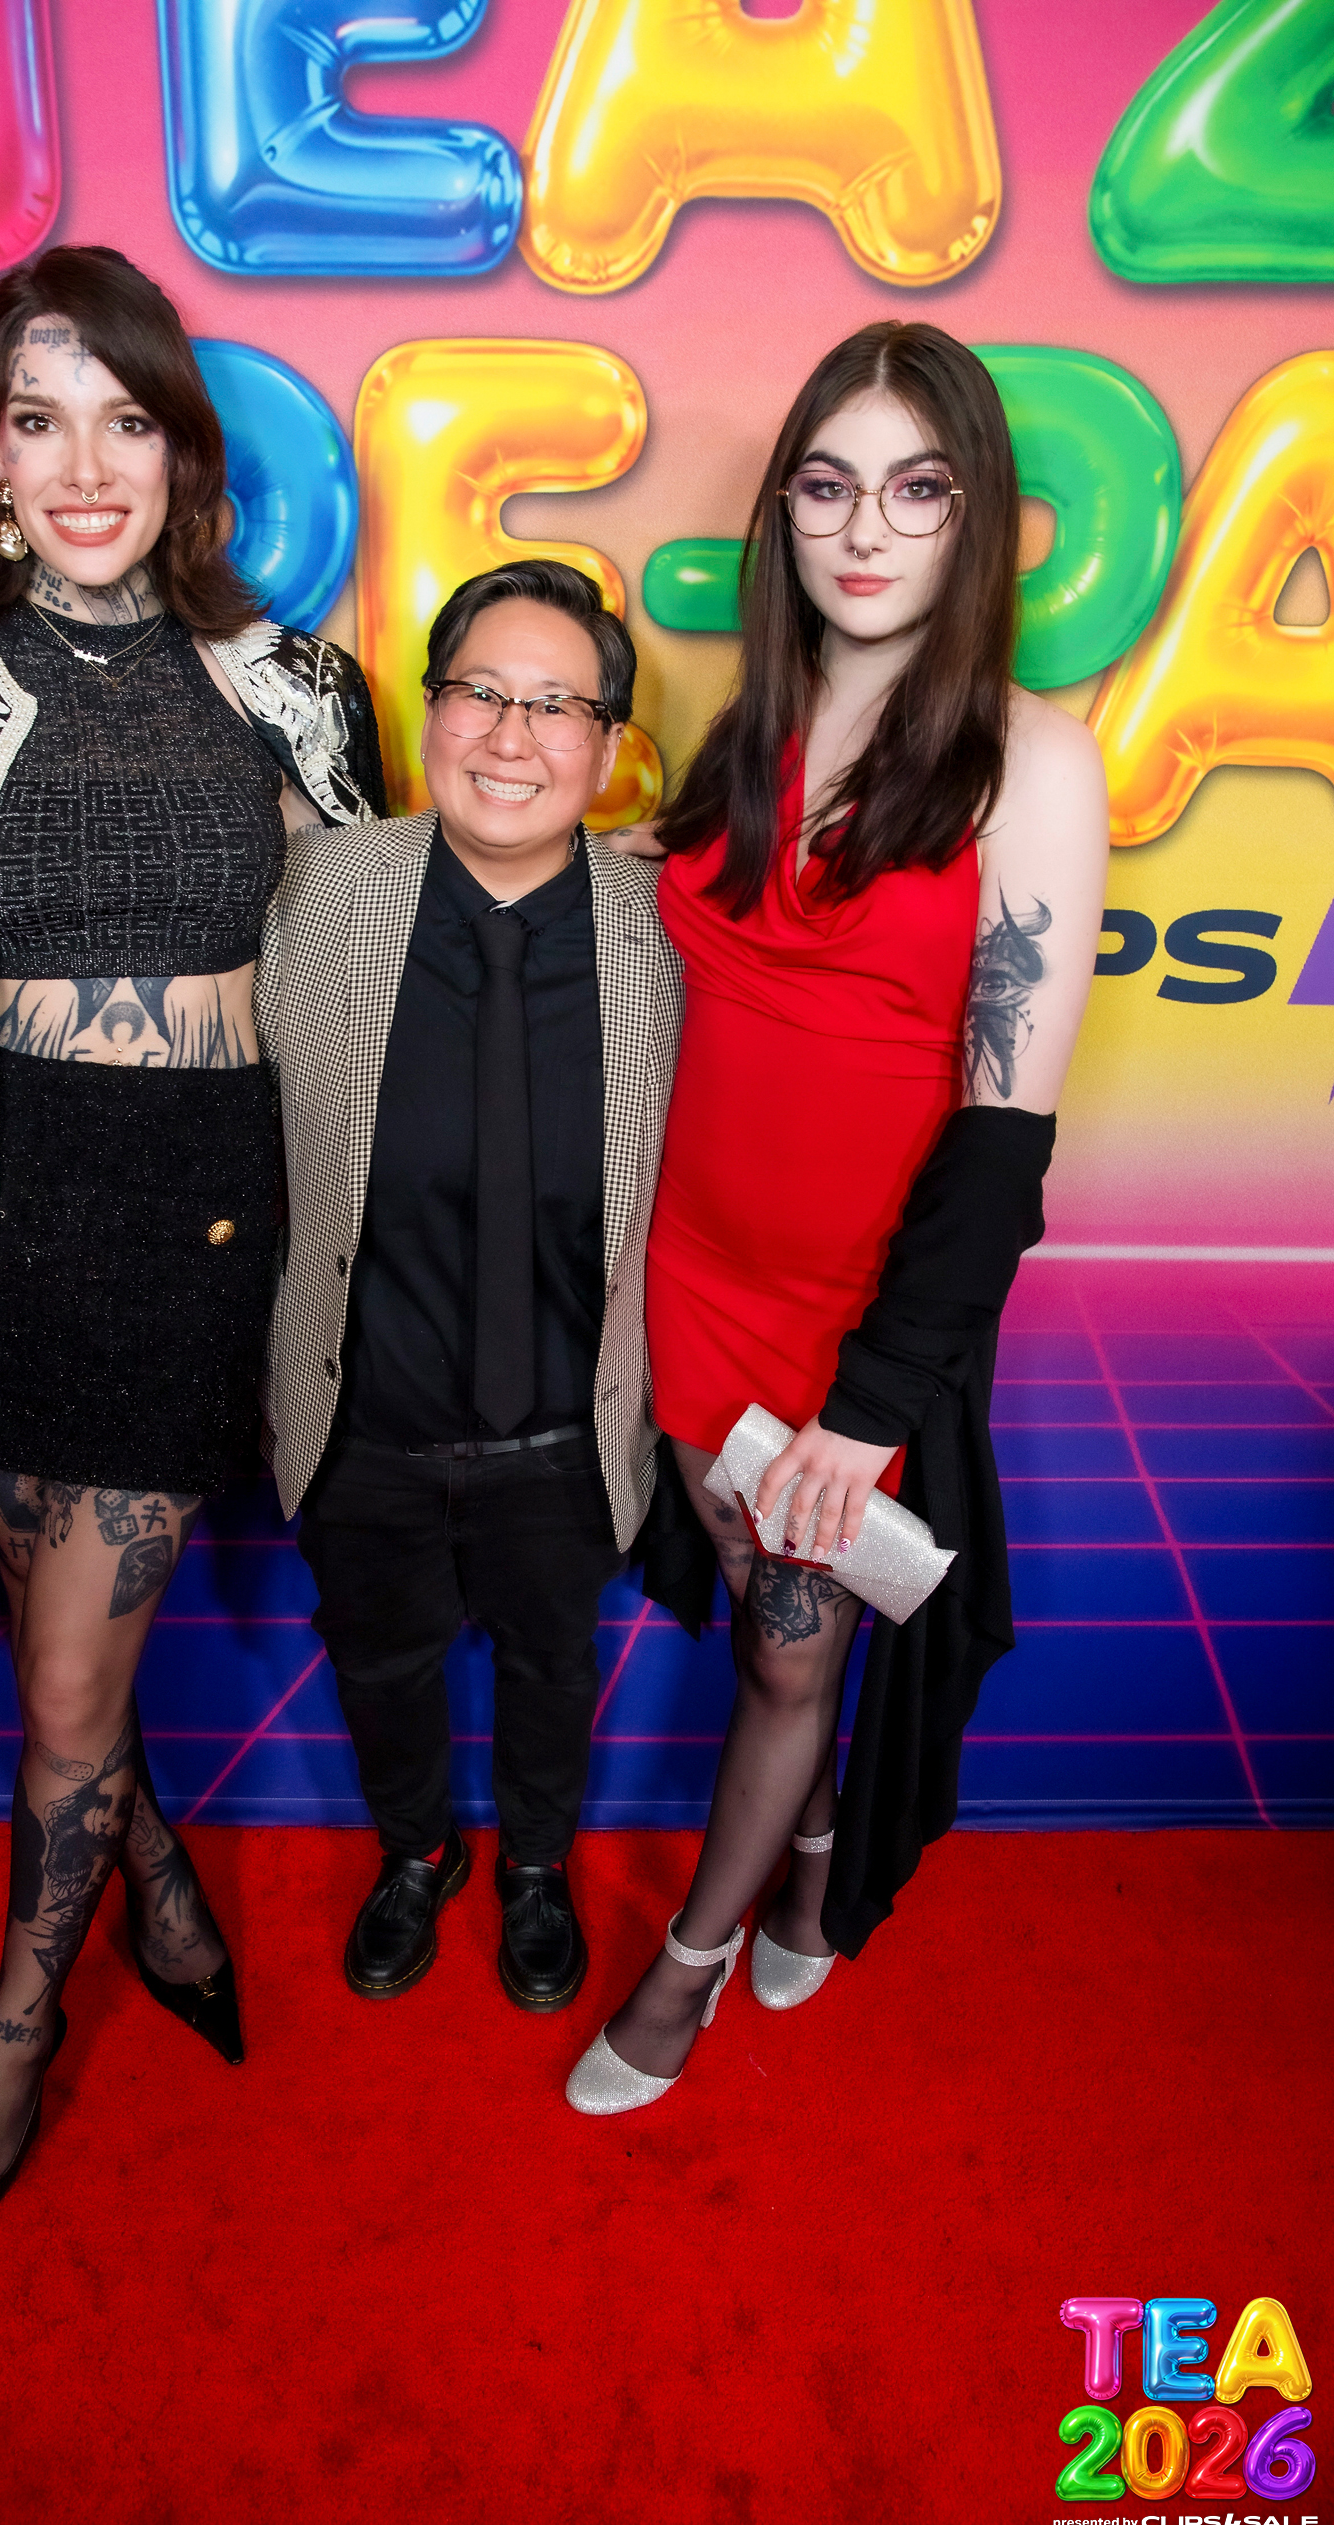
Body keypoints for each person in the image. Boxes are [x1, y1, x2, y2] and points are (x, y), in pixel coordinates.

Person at [0, 244, 385, 2288]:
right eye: (39, 420)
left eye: (125, 421)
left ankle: (11, 2043)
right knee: (75, 1657)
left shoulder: (295, 683)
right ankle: (167, 1889)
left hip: (203, 1218)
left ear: (181, 450)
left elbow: (372, 961)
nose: (83, 467)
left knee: (60, 1684)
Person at [566, 320, 1108, 2114]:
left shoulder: (1028, 762)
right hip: (690, 1282)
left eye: (916, 489)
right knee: (753, 1605)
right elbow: (692, 929)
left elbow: (1001, 1142)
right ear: (784, 513)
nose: (865, 529)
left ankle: (687, 1967)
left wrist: (872, 1410)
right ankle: (800, 1857)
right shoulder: (757, 731)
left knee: (798, 1648)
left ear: (975, 517)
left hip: (846, 1321)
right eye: (827, 485)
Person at [254, 562, 683, 2014]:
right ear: (430, 711)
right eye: (479, 694)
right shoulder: (323, 893)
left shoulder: (664, 936)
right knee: (380, 1666)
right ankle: (417, 1852)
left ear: (609, 749)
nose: (510, 736)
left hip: (567, 1424)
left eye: (556, 707)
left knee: (556, 1664)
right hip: (364, 1412)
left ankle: (538, 1868)